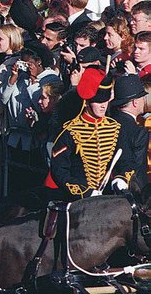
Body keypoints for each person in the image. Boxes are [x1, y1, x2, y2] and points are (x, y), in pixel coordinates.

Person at [45, 67, 134, 199]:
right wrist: (85, 191)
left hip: (109, 196)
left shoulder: (115, 128)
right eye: (98, 101)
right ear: (86, 102)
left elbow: (126, 161)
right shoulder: (69, 132)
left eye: (105, 101)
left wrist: (120, 179)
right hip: (78, 198)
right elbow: (59, 170)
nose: (103, 105)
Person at [108, 73, 149, 191]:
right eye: (142, 98)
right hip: (130, 193)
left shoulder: (108, 123)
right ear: (135, 102)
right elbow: (138, 170)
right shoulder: (138, 132)